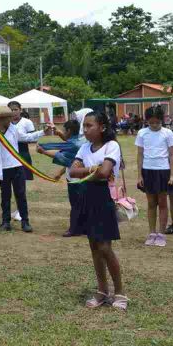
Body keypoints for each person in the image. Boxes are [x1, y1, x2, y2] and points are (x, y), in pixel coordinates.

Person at [68, 111, 127, 311]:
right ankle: (102, 291)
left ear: (102, 127)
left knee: (105, 247)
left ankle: (119, 292)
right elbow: (72, 171)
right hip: (87, 197)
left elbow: (105, 172)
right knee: (94, 246)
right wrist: (93, 169)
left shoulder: (112, 146)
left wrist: (89, 170)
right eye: (84, 126)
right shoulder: (85, 147)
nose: (85, 130)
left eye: (89, 126)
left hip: (104, 198)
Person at [135, 106, 173, 247]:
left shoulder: (168, 133)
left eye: (157, 122)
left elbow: (172, 154)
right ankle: (152, 232)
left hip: (163, 171)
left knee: (163, 203)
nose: (154, 125)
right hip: (148, 171)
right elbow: (140, 155)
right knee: (151, 203)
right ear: (147, 121)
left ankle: (161, 233)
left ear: (162, 120)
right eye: (151, 122)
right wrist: (139, 175)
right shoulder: (142, 133)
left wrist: (172, 175)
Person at [35, 118, 85, 236]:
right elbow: (70, 161)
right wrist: (60, 172)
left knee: (76, 204)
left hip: (76, 179)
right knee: (80, 203)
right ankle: (82, 227)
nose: (62, 132)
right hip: (75, 177)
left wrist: (43, 150)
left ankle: (74, 229)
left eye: (63, 130)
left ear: (69, 130)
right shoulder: (78, 140)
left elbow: (61, 156)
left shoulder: (73, 144)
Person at [0, 106, 37, 232]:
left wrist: (43, 132)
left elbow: (27, 138)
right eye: (4, 118)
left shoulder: (14, 130)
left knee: (21, 195)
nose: (8, 120)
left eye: (8, 117)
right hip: (3, 169)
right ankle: (6, 221)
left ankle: (25, 222)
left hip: (17, 167)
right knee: (5, 196)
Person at [7, 101, 46, 225]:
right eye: (11, 110)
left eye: (15, 109)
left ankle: (20, 210)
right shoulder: (6, 123)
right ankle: (16, 209)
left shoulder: (26, 122)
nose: (13, 112)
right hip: (9, 155)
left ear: (20, 110)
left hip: (22, 153)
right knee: (10, 185)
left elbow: (32, 138)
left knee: (20, 185)